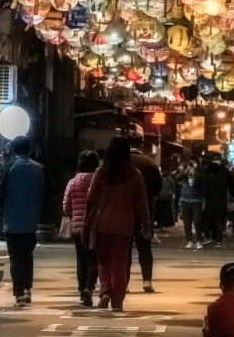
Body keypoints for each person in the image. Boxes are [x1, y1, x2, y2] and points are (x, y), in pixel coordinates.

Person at [84, 136, 150, 311]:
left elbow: (91, 197)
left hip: (103, 223)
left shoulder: (100, 172)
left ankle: (105, 292)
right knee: (120, 263)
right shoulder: (135, 174)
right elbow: (142, 202)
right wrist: (146, 223)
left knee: (103, 260)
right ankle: (118, 301)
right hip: (125, 226)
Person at [0, 135, 51, 308]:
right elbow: (48, 194)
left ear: (13, 149)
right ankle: (27, 288)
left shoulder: (8, 168)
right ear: (30, 149)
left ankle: (19, 294)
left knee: (15, 258)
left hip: (11, 221)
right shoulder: (41, 169)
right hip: (31, 220)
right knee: (27, 255)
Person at [126, 132, 162, 293]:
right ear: (142, 144)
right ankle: (147, 280)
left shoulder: (121, 163)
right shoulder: (150, 163)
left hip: (123, 210)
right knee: (144, 246)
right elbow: (158, 187)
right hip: (146, 210)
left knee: (124, 247)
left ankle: (124, 282)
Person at [63, 150, 100, 306]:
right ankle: (89, 288)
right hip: (95, 226)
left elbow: (66, 207)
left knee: (81, 259)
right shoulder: (99, 181)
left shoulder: (72, 182)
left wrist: (73, 215)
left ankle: (81, 289)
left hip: (78, 227)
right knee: (94, 258)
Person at [204, 154, 234, 247]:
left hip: (211, 203)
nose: (215, 160)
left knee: (213, 221)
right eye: (214, 159)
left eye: (217, 159)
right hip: (221, 203)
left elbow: (205, 191)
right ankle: (218, 240)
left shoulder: (209, 177)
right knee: (219, 222)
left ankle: (214, 238)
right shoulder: (222, 178)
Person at [178, 156, 205, 250]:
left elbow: (202, 181)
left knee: (197, 221)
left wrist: (195, 172)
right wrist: (186, 171)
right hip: (184, 200)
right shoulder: (185, 172)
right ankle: (189, 241)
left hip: (196, 200)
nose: (192, 165)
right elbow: (177, 178)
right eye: (190, 163)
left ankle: (199, 241)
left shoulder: (200, 172)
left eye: (194, 163)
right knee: (187, 223)